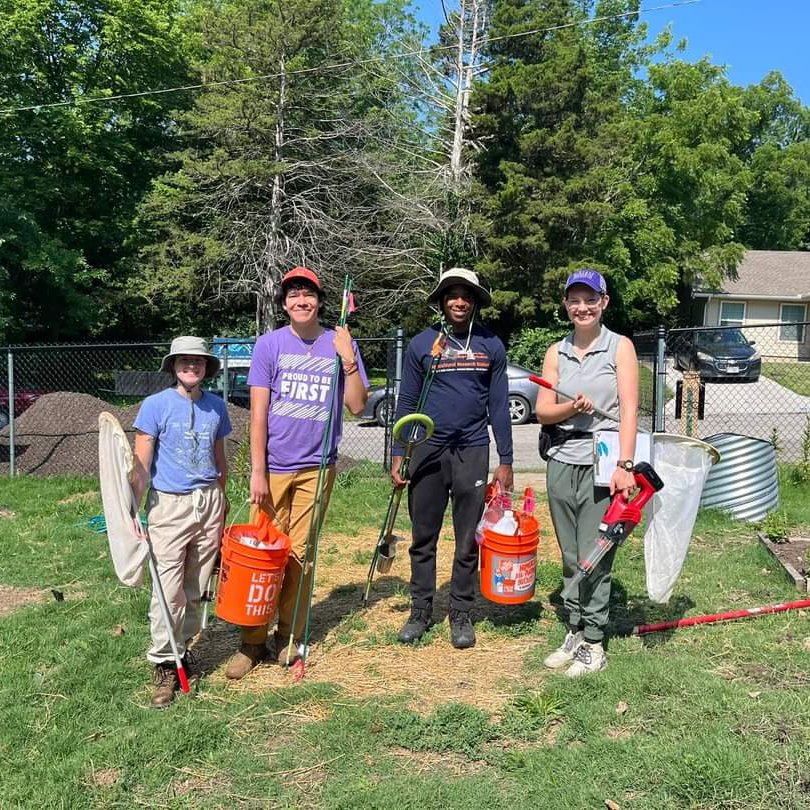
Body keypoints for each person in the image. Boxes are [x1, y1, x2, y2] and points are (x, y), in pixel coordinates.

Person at [225, 266, 369, 679]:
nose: (300, 301)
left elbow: (358, 406)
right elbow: (257, 415)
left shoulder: (339, 342)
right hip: (272, 468)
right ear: (284, 303)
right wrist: (257, 470)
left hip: (316, 469)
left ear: (320, 301)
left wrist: (347, 359)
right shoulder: (269, 345)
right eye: (293, 295)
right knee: (262, 554)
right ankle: (251, 642)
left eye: (308, 294)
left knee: (300, 557)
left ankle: (287, 636)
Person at [392, 267, 513, 650]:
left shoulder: (491, 344)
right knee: (422, 537)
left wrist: (505, 458)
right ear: (442, 301)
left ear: (475, 301)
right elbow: (407, 401)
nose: (459, 302)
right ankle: (420, 611)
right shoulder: (421, 345)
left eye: (466, 295)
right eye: (452, 295)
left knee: (467, 541)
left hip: (472, 451)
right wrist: (399, 453)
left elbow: (498, 404)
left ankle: (461, 613)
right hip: (427, 450)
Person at [536, 268, 638, 677]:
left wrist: (625, 466)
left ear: (604, 303)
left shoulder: (620, 347)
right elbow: (544, 410)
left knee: (595, 554)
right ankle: (575, 629)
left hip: (604, 466)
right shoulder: (555, 352)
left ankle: (595, 642)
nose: (582, 307)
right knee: (569, 555)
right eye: (574, 300)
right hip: (562, 461)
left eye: (590, 299)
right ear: (566, 305)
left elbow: (630, 409)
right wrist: (570, 409)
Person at [130, 336, 231, 708]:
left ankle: (182, 649)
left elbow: (220, 461)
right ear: (173, 366)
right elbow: (141, 465)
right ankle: (163, 663)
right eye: (184, 361)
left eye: (199, 361)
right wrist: (132, 507)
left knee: (196, 585)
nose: (192, 366)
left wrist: (223, 497)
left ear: (206, 368)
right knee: (167, 588)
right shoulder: (155, 406)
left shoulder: (217, 407)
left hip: (209, 503)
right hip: (169, 506)